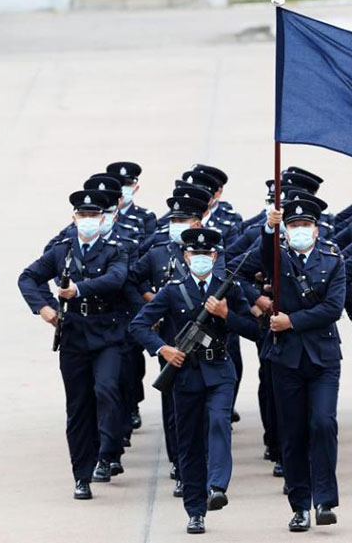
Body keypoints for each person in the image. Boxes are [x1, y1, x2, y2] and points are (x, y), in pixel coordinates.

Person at [129, 228, 260, 534]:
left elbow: (255, 331)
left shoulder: (229, 288)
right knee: (188, 442)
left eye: (206, 255)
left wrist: (227, 314)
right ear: (185, 257)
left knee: (218, 421)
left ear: (214, 257)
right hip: (186, 375)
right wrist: (163, 348)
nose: (200, 259)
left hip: (220, 371)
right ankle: (195, 510)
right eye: (194, 255)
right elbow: (139, 325)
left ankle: (217, 485)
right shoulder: (173, 290)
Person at [17, 190, 128, 500]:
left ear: (103, 219)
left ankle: (109, 450)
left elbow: (117, 279)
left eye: (94, 216)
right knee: (78, 406)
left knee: (106, 389)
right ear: (74, 219)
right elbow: (27, 277)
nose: (89, 221)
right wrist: (44, 308)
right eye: (83, 216)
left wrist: (79, 289)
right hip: (74, 334)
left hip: (107, 334)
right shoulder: (62, 252)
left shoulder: (114, 250)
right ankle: (81, 474)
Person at [262, 198, 345, 532]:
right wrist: (269, 227)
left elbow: (333, 308)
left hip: (323, 357)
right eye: (293, 226)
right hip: (287, 359)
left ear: (316, 229)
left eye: (305, 226)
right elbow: (265, 255)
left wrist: (292, 321)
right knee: (292, 433)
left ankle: (324, 499)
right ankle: (300, 505)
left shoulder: (333, 259)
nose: (299, 231)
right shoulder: (279, 258)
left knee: (323, 424)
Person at [126, 194, 209, 497]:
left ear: (197, 222)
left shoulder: (211, 252)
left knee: (211, 410)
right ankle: (181, 465)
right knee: (175, 409)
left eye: (183, 220)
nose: (176, 226)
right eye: (173, 220)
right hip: (172, 341)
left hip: (209, 343)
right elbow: (131, 280)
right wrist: (151, 305)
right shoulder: (158, 252)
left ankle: (207, 467)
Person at [106, 161, 157, 239]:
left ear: (136, 188)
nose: (122, 188)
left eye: (127, 183)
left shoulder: (146, 217)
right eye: (118, 183)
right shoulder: (97, 215)